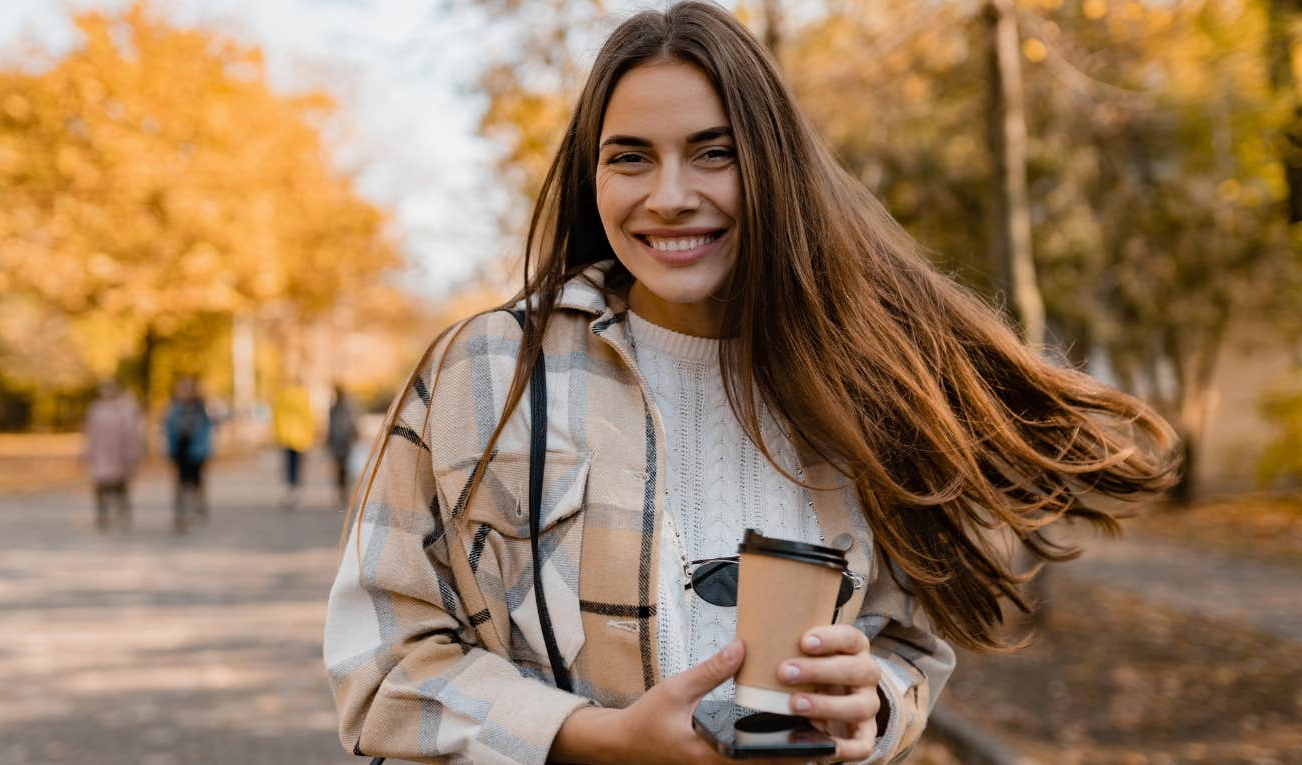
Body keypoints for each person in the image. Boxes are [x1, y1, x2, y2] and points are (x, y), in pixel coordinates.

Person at [323, 4, 1178, 764]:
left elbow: (908, 646)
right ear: (594, 177)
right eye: (630, 158)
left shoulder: (862, 378)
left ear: (772, 166)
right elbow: (383, 665)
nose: (669, 195)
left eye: (712, 154)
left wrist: (869, 703)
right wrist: (595, 738)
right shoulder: (485, 372)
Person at [82, 379, 146, 531]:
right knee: (100, 486)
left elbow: (132, 433)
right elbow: (90, 433)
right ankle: (102, 516)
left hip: (119, 454)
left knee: (120, 486)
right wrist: (87, 452)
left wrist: (133, 453)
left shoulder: (124, 409)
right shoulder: (95, 409)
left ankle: (122, 513)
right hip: (101, 453)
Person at [164, 376, 213, 532]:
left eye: (187, 389)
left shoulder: (200, 409)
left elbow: (206, 431)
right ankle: (180, 513)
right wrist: (170, 449)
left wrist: (204, 450)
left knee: (196, 482)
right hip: (179, 450)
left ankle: (197, 508)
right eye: (182, 389)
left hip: (196, 450)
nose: (184, 393)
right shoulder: (173, 409)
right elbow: (168, 430)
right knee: (179, 483)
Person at [272, 381, 315, 511]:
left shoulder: (282, 397)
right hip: (300, 438)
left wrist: (278, 435)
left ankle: (289, 491)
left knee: (288, 466)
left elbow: (277, 417)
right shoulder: (303, 397)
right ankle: (296, 491)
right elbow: (308, 418)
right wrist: (309, 437)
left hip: (286, 437)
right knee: (298, 466)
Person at [325, 385, 359, 507]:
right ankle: (342, 492)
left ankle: (343, 492)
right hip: (339, 442)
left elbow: (352, 423)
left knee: (343, 468)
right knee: (340, 468)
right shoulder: (335, 408)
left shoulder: (344, 408)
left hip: (343, 441)